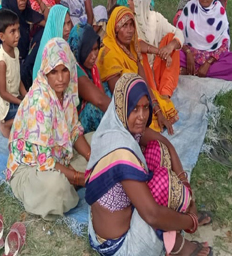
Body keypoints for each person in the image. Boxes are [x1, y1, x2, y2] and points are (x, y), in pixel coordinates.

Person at [85, 74, 212, 256]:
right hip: (121, 247)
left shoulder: (118, 127)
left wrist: (186, 187)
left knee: (157, 150)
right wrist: (190, 221)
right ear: (122, 107)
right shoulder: (122, 152)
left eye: (145, 107)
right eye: (134, 109)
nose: (142, 116)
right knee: (163, 184)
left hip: (113, 225)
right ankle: (177, 244)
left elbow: (165, 144)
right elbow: (152, 214)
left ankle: (179, 216)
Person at [6, 38, 92, 220]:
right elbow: (44, 161)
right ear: (45, 71)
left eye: (64, 70)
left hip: (60, 155)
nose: (60, 78)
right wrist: (79, 177)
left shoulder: (67, 92)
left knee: (100, 142)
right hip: (31, 168)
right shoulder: (40, 101)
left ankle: (75, 178)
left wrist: (92, 158)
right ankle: (72, 181)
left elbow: (74, 131)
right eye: (54, 72)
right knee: (55, 186)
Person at [97, 6, 177, 133]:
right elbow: (118, 96)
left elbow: (144, 83)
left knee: (163, 108)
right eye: (124, 26)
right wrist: (141, 112)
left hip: (137, 97)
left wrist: (157, 110)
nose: (130, 30)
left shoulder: (131, 48)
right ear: (115, 29)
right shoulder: (109, 53)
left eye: (131, 25)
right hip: (122, 104)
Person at [126, 0, 183, 100]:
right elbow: (136, 44)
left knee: (172, 39)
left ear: (140, 0)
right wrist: (159, 51)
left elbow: (179, 33)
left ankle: (165, 93)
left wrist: (170, 46)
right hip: (139, 72)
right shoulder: (128, 20)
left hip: (156, 69)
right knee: (141, 53)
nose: (127, 2)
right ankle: (151, 93)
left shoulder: (156, 18)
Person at [177, 0, 232, 81]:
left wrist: (208, 63)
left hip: (212, 59)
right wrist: (188, 53)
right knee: (170, 53)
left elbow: (224, 43)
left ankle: (192, 71)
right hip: (189, 56)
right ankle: (198, 71)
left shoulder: (219, 11)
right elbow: (178, 36)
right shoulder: (189, 8)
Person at [68, 24, 110, 133]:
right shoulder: (74, 70)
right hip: (73, 125)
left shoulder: (92, 68)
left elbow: (102, 94)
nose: (94, 55)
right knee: (95, 109)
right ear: (78, 49)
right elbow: (100, 100)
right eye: (88, 51)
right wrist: (125, 115)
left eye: (96, 49)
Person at [0, 10, 27, 138]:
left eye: (18, 30)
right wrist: (21, 103)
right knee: (31, 113)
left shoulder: (15, 51)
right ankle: (6, 124)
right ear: (2, 36)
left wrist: (26, 96)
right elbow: (3, 93)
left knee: (35, 103)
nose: (17, 35)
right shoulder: (2, 61)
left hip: (15, 98)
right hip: (7, 106)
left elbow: (17, 78)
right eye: (12, 31)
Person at [32, 4, 73, 82]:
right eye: (63, 24)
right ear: (55, 25)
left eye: (69, 23)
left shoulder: (65, 44)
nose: (67, 29)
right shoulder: (50, 49)